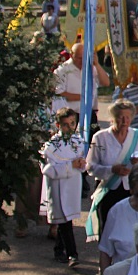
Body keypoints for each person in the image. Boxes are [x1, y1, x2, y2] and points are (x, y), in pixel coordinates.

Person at [88, 100, 138, 241]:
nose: (124, 121)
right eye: (120, 117)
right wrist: (111, 169)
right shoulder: (100, 137)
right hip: (108, 189)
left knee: (130, 229)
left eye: (128, 117)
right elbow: (90, 166)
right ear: (112, 118)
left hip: (131, 189)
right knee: (108, 229)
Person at [41, 107, 87, 266]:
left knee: (66, 220)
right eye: (65, 124)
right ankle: (73, 254)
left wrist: (81, 165)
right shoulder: (51, 146)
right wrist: (70, 166)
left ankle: (59, 250)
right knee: (65, 222)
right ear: (58, 125)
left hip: (73, 186)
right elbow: (48, 170)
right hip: (59, 186)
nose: (70, 127)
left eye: (72, 123)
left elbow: (82, 165)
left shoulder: (78, 142)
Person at [55, 41, 110, 128]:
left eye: (84, 57)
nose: (82, 61)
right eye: (79, 58)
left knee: (92, 137)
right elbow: (59, 93)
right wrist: (83, 97)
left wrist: (97, 65)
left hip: (89, 112)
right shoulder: (63, 70)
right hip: (70, 115)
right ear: (71, 55)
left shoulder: (91, 67)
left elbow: (106, 82)